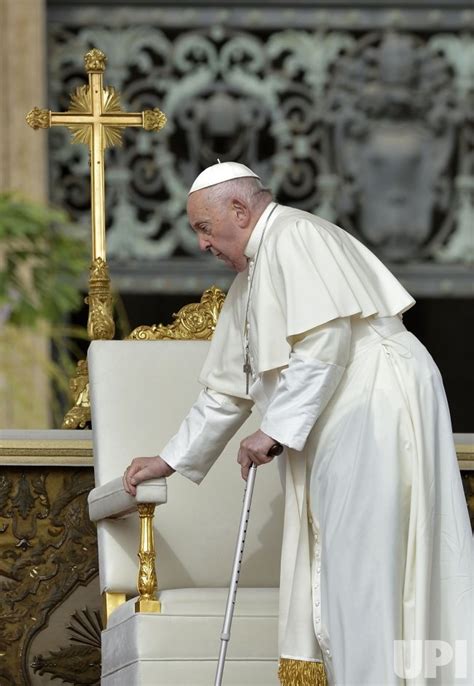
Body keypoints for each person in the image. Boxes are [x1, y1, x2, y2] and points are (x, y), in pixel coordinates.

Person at [123, 162, 473, 685]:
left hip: (377, 404)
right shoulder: (254, 273)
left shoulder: (296, 235)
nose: (202, 244)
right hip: (345, 412)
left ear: (239, 211)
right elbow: (227, 389)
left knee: (370, 563)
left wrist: (275, 430)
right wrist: (170, 459)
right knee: (349, 565)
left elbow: (324, 343)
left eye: (203, 227)